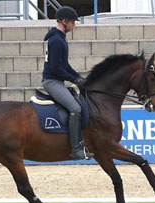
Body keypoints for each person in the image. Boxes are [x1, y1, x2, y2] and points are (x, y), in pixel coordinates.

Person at [42, 6, 94, 160]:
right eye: (72, 22)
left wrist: (78, 77)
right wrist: (73, 79)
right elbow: (56, 68)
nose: (74, 25)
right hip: (52, 81)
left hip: (57, 79)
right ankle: (76, 148)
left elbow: (65, 65)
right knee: (75, 108)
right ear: (64, 21)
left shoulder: (59, 38)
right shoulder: (56, 40)